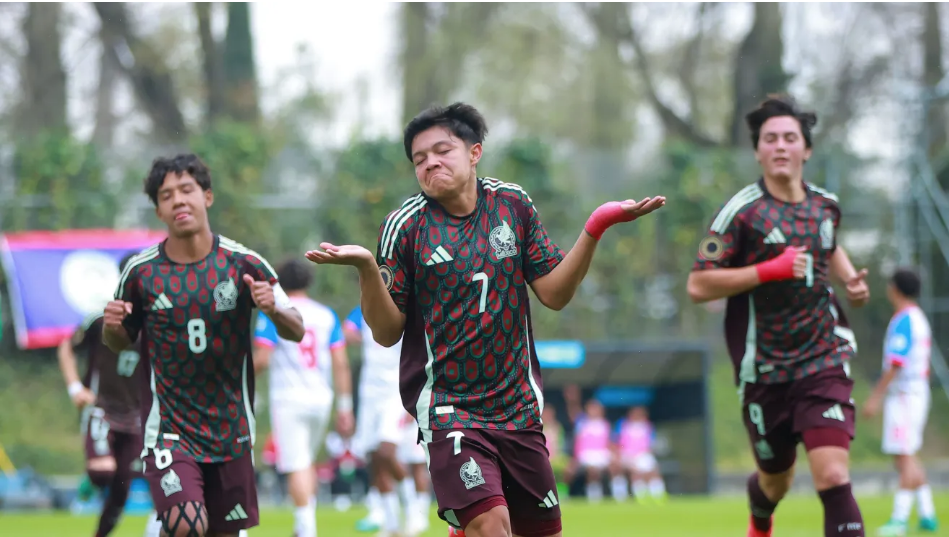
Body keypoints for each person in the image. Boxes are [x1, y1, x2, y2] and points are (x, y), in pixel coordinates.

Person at [305, 102, 665, 537]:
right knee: (492, 525)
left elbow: (554, 293)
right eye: (419, 159)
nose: (430, 162)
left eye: (442, 150)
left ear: (474, 152)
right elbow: (384, 333)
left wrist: (595, 228)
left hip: (518, 408)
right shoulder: (405, 226)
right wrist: (366, 269)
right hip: (449, 409)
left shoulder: (513, 204)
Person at [686, 94, 871, 537]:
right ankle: (761, 519)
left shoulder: (826, 205)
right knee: (776, 479)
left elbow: (829, 242)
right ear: (757, 151)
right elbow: (698, 284)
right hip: (764, 371)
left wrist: (850, 281)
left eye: (790, 138)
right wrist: (769, 270)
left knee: (831, 475)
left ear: (806, 149)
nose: (781, 146)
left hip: (824, 358)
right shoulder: (740, 213)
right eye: (770, 139)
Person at [103, 154, 305, 537]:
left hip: (232, 430)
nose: (178, 200)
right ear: (159, 210)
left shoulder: (245, 263)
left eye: (186, 190)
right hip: (169, 430)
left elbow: (296, 329)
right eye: (166, 195)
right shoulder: (140, 273)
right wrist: (111, 327)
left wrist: (273, 309)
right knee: (187, 525)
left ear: (207, 197)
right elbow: (118, 341)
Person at [58, 252, 162, 537]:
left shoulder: (157, 322)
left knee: (120, 493)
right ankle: (88, 483)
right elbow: (66, 347)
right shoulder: (101, 318)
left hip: (137, 416)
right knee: (103, 472)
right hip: (102, 409)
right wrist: (75, 387)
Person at [252, 258, 355, 537]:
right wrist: (345, 406)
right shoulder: (327, 315)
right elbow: (341, 362)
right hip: (321, 397)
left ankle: (305, 527)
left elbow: (261, 358)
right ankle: (305, 523)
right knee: (305, 461)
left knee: (297, 463)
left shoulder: (274, 311)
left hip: (289, 396)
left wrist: (233, 378)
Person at [863, 268, 938, 535]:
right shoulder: (915, 318)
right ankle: (927, 513)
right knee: (906, 455)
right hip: (914, 392)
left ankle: (899, 519)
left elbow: (895, 364)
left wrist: (875, 398)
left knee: (904, 456)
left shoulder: (906, 320)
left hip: (906, 395)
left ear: (895, 289)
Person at [343, 306, 407, 536]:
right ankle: (391, 523)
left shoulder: (404, 304)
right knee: (374, 459)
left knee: (386, 452)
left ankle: (412, 508)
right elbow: (347, 331)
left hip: (395, 389)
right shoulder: (362, 308)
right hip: (369, 392)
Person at [612, 406, 666, 504]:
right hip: (627, 454)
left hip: (643, 453)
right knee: (634, 472)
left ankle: (658, 495)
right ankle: (640, 496)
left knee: (653, 471)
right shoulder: (623, 425)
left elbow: (651, 443)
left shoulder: (647, 426)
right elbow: (617, 442)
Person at [397, 411, 432, 537]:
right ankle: (411, 513)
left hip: (414, 418)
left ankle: (421, 516)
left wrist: (411, 412)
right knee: (401, 467)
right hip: (397, 418)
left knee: (418, 466)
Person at [572, 399, 612, 503]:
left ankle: (621, 496)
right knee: (592, 471)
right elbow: (578, 442)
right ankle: (594, 498)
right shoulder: (582, 424)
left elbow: (609, 443)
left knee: (616, 467)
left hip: (602, 453)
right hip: (586, 454)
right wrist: (576, 458)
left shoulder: (605, 424)